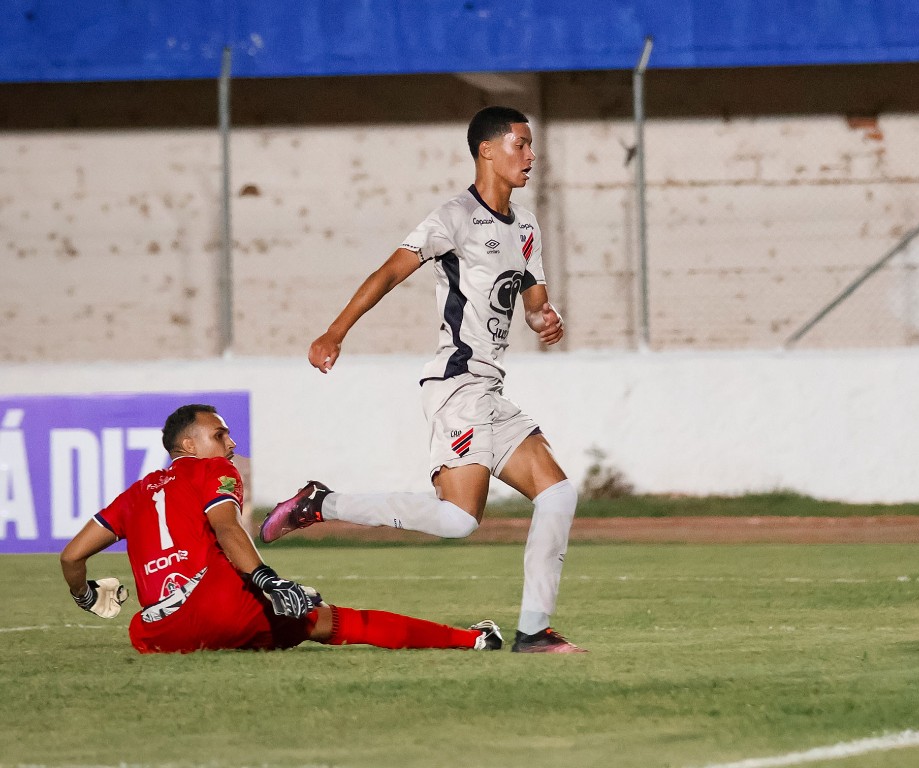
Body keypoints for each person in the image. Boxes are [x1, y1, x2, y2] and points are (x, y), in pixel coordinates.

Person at [261, 106, 584, 654]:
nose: (532, 156)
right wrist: (334, 332)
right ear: (487, 150)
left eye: (531, 146)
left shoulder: (525, 226)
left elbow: (533, 301)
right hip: (457, 385)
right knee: (458, 521)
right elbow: (389, 273)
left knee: (557, 495)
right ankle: (323, 503)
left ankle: (533, 631)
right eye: (521, 145)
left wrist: (543, 319)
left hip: (490, 389)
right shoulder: (453, 217)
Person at [60, 404, 503, 654]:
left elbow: (71, 556)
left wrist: (85, 595)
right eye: (220, 435)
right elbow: (228, 529)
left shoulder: (135, 493)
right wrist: (267, 580)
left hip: (156, 633)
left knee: (201, 627)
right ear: (190, 445)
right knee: (336, 622)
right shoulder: (210, 469)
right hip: (217, 607)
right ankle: (475, 639)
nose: (231, 444)